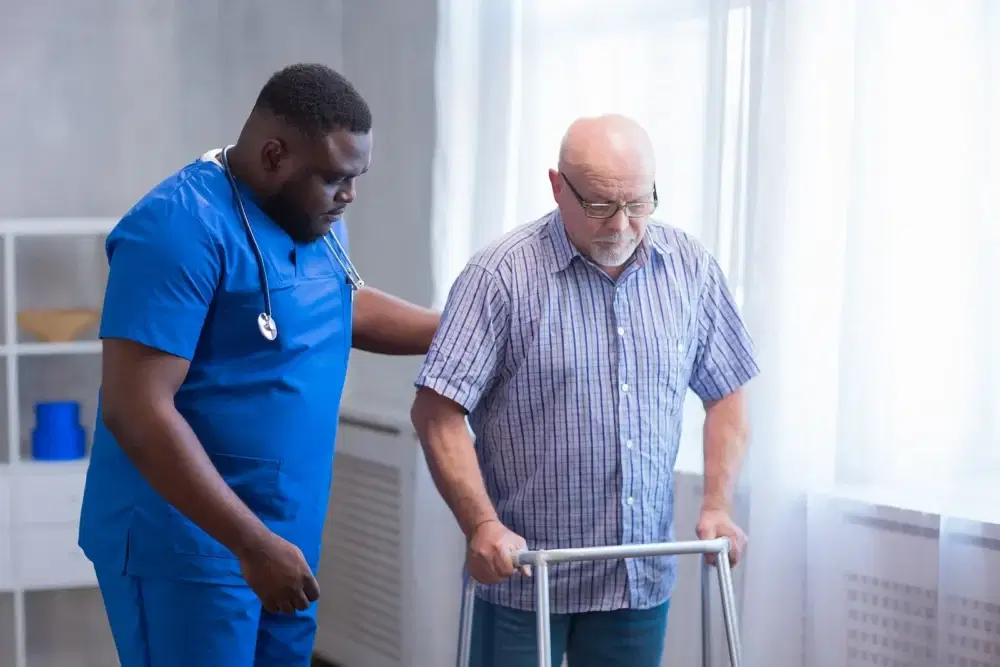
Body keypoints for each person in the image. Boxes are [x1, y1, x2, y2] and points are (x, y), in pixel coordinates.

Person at [78, 63, 439, 667]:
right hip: (189, 546)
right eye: (334, 179)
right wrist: (250, 544)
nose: (348, 196)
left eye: (356, 178)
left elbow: (337, 303)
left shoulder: (313, 217)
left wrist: (465, 328)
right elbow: (135, 409)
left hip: (283, 533)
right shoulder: (177, 227)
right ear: (275, 155)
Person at [410, 114, 759, 667]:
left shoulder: (689, 269)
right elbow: (437, 410)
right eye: (599, 205)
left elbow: (728, 391)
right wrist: (481, 524)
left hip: (636, 579)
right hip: (525, 577)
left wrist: (718, 503)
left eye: (640, 204)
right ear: (556, 186)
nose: (621, 224)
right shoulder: (499, 275)